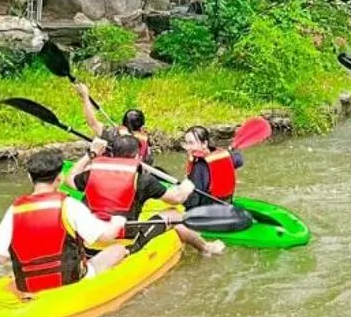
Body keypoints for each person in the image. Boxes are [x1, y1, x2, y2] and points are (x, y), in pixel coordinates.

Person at [0, 149, 129, 293]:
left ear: (30, 177)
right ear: (60, 177)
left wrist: (2, 233)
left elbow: (0, 259)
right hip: (70, 283)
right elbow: (105, 237)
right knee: (118, 249)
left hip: (29, 287)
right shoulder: (69, 205)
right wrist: (116, 222)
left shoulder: (14, 210)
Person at [66, 132, 225, 255]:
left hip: (89, 236)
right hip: (122, 238)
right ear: (137, 156)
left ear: (112, 154)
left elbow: (70, 179)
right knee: (175, 214)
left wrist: (90, 154)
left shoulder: (92, 172)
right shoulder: (142, 180)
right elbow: (176, 199)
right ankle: (206, 248)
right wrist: (187, 186)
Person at [76, 81, 150, 162]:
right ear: (142, 128)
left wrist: (85, 96)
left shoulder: (112, 134)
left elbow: (92, 123)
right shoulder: (144, 140)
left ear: (123, 125)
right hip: (132, 172)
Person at [181, 125, 243, 206]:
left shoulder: (199, 166)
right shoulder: (225, 155)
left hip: (207, 212)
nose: (188, 147)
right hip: (227, 205)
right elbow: (239, 160)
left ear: (204, 143)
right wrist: (231, 152)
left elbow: (194, 199)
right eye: (186, 143)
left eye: (191, 143)